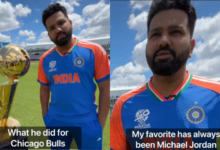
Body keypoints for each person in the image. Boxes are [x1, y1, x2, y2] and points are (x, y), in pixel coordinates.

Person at [110, 0, 220, 149]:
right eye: (155, 34)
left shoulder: (216, 96)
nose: (163, 41)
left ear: (191, 47)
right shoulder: (123, 106)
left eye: (175, 32)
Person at [37, 3, 110, 150]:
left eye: (61, 22)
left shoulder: (94, 51)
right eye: (51, 28)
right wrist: (47, 118)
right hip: (55, 121)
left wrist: (99, 125)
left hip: (88, 122)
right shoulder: (45, 59)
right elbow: (44, 89)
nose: (58, 29)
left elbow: (105, 88)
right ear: (48, 34)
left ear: (70, 23)